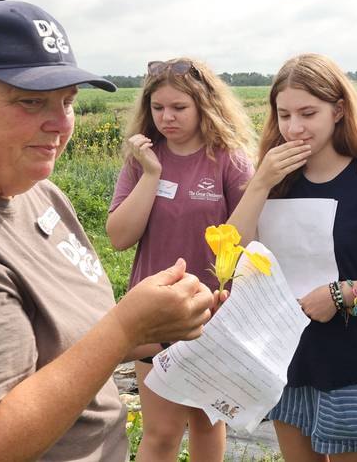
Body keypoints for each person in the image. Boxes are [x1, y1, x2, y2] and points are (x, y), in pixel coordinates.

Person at [0, 0, 216, 462]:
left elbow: (66, 343)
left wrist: (170, 322)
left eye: (67, 101)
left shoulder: (35, 192)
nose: (60, 123)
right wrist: (124, 326)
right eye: (31, 101)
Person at [227, 53, 357, 462]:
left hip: (352, 362)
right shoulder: (276, 182)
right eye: (284, 114)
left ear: (338, 110)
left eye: (308, 113)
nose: (294, 128)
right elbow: (231, 256)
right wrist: (259, 185)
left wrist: (341, 294)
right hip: (287, 358)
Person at [105, 57, 255, 461]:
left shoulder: (228, 159)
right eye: (158, 108)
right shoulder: (143, 160)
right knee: (161, 431)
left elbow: (250, 237)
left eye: (178, 107)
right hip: (152, 310)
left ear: (203, 105)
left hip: (211, 313)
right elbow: (119, 237)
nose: (167, 117)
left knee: (206, 422)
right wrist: (151, 175)